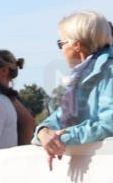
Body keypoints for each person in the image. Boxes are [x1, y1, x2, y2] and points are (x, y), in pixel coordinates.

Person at [35, 11, 113, 169]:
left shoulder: (109, 72)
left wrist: (60, 139)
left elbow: (109, 125)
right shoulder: (79, 79)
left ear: (76, 45)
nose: (61, 50)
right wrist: (43, 132)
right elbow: (57, 118)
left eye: (61, 43)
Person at [0, 50, 35, 145]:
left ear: (4, 71)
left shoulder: (7, 98)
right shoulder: (7, 97)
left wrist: (21, 154)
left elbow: (28, 122)